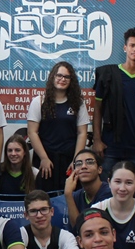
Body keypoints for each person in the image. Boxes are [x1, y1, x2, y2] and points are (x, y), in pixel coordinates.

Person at [92, 28, 135, 182]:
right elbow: (98, 109)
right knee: (106, 189)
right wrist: (97, 140)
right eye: (132, 45)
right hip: (109, 147)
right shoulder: (108, 74)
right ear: (125, 48)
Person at [27, 61, 89, 191]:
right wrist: (44, 158)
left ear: (71, 80)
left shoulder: (78, 103)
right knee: (43, 197)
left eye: (66, 77)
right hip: (45, 160)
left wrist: (76, 161)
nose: (62, 79)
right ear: (52, 77)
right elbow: (32, 132)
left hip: (69, 159)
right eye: (59, 75)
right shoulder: (39, 101)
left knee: (70, 196)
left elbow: (82, 133)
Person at [64, 147, 112, 231]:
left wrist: (68, 194)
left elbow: (85, 229)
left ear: (99, 169)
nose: (83, 166)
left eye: (90, 162)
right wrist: (69, 194)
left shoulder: (109, 192)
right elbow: (75, 231)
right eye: (78, 163)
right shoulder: (76, 196)